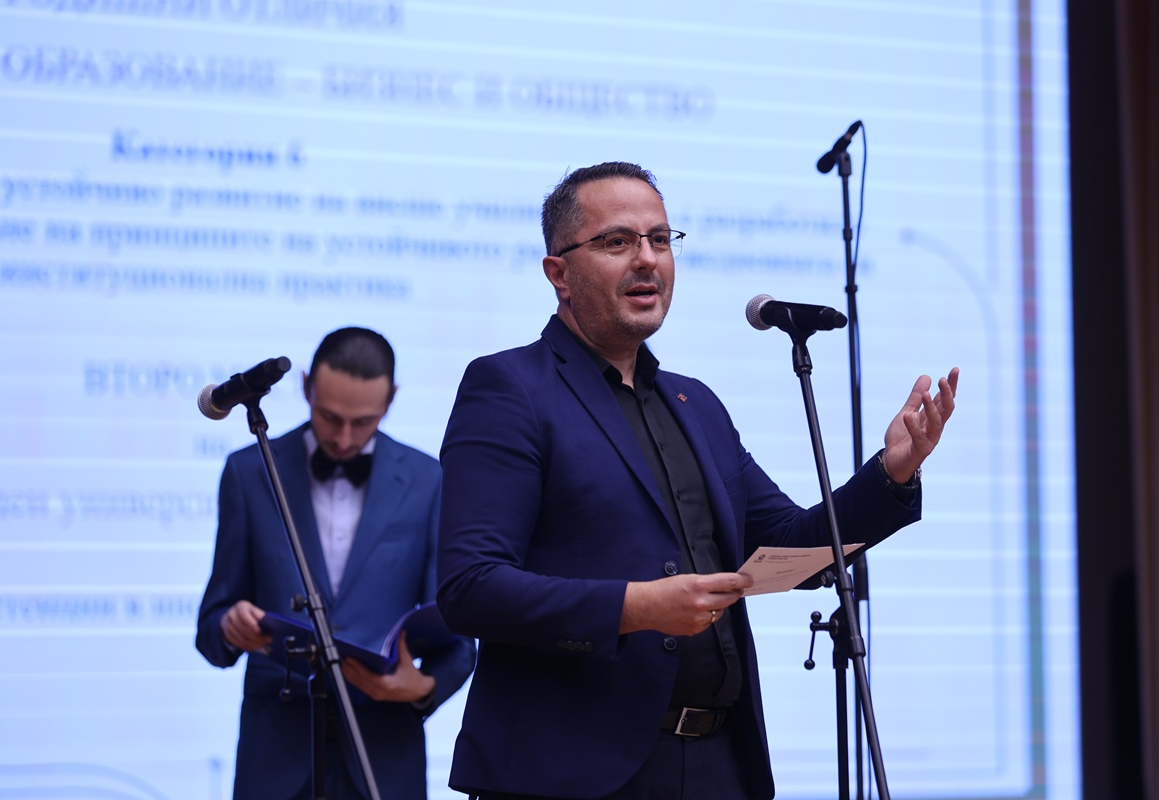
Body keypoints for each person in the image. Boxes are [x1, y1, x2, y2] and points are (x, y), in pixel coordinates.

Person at [435, 162, 959, 800]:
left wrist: (892, 471)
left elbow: (790, 547)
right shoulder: (510, 389)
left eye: (660, 239)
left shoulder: (696, 404)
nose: (647, 259)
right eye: (617, 241)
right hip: (572, 775)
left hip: (718, 764)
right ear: (559, 273)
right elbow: (470, 588)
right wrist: (634, 608)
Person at [196, 326, 476, 800]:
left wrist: (423, 687)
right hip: (275, 758)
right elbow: (211, 624)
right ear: (306, 387)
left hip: (384, 758)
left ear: (391, 400)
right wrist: (229, 626)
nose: (344, 438)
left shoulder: (429, 479)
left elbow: (458, 637)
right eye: (329, 417)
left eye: (363, 421)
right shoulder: (249, 471)